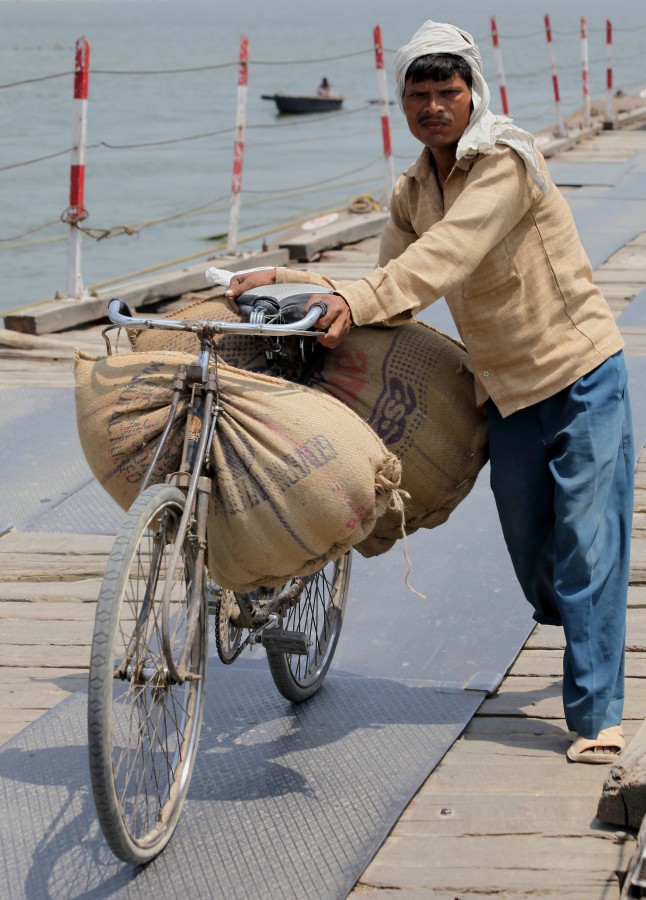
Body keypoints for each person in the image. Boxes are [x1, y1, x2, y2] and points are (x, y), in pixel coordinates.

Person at [226, 20, 634, 764]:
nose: (435, 106)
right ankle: (580, 621)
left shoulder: (508, 161)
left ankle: (597, 714)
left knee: (589, 546)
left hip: (580, 373)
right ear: (404, 104)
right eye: (420, 94)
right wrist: (300, 287)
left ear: (473, 92)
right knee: (535, 557)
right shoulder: (414, 186)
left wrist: (361, 292)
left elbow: (443, 257)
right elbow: (393, 289)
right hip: (505, 394)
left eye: (448, 91)